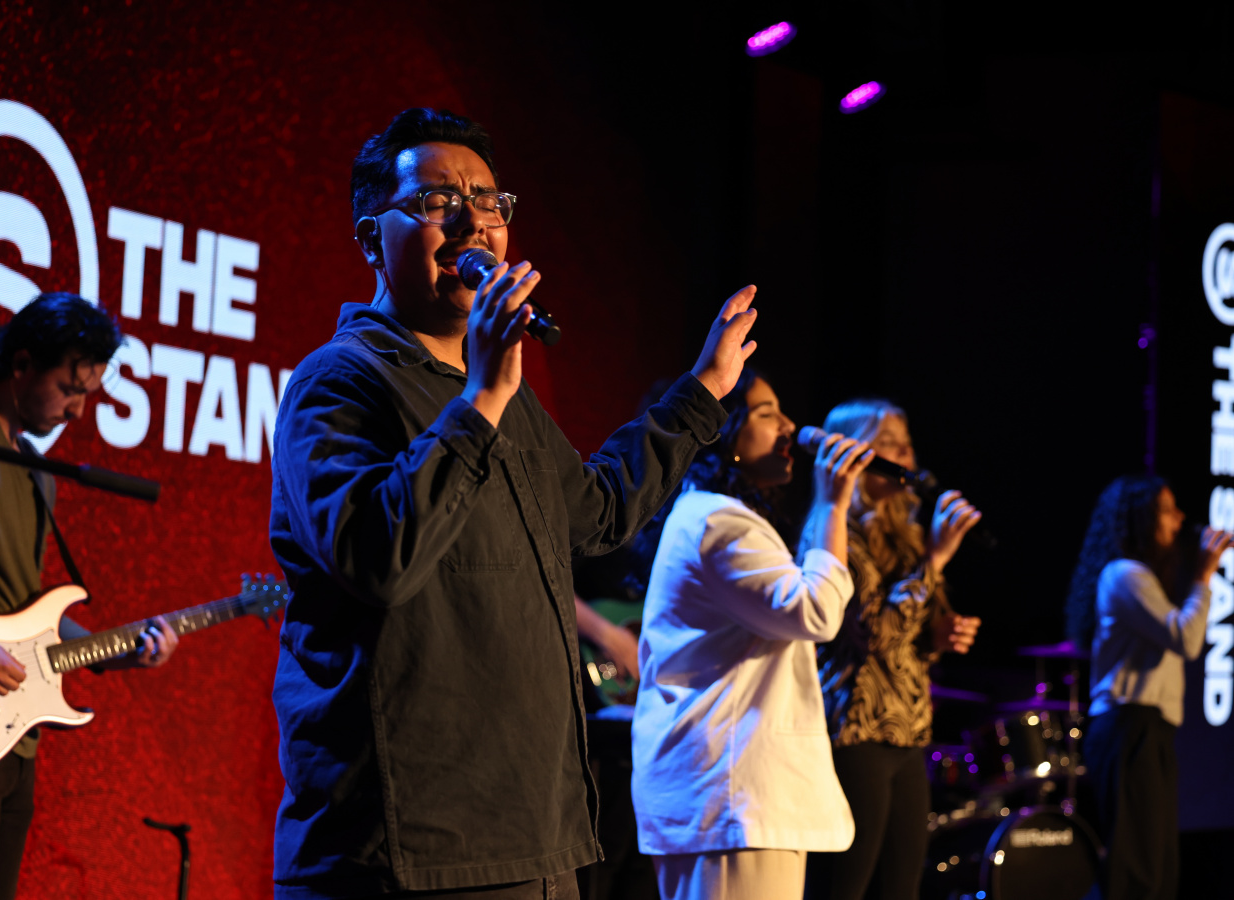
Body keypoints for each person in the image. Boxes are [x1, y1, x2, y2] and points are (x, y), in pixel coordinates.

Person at [268, 107, 759, 899]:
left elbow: (596, 514)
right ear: (370, 240)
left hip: (533, 834)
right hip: (404, 850)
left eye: (489, 201)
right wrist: (483, 398)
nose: (474, 222)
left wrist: (700, 392)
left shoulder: (501, 394)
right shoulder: (338, 382)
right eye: (437, 201)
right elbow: (374, 559)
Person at [0, 292, 179, 900]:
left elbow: (26, 608)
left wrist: (120, 651)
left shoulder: (35, 468)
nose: (77, 410)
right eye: (70, 389)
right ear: (21, 365)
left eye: (87, 395)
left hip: (8, 739)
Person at [630, 369, 874, 900]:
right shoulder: (720, 522)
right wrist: (832, 504)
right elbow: (814, 612)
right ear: (723, 433)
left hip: (725, 793)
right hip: (733, 794)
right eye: (767, 414)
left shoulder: (711, 515)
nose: (790, 426)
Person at [798, 399, 982, 900]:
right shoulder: (835, 531)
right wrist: (935, 561)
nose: (904, 454)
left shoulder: (906, 534)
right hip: (857, 729)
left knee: (901, 888)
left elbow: (908, 638)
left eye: (906, 443)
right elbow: (875, 634)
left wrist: (939, 637)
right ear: (854, 453)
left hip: (908, 729)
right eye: (887, 444)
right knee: (844, 886)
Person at [1065, 475, 1230, 900]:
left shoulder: (1145, 578)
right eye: (1167, 511)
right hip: (1128, 727)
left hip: (1146, 731)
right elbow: (1186, 638)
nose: (1180, 519)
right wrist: (1204, 575)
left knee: (1157, 869)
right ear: (1141, 519)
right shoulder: (1124, 574)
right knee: (1136, 870)